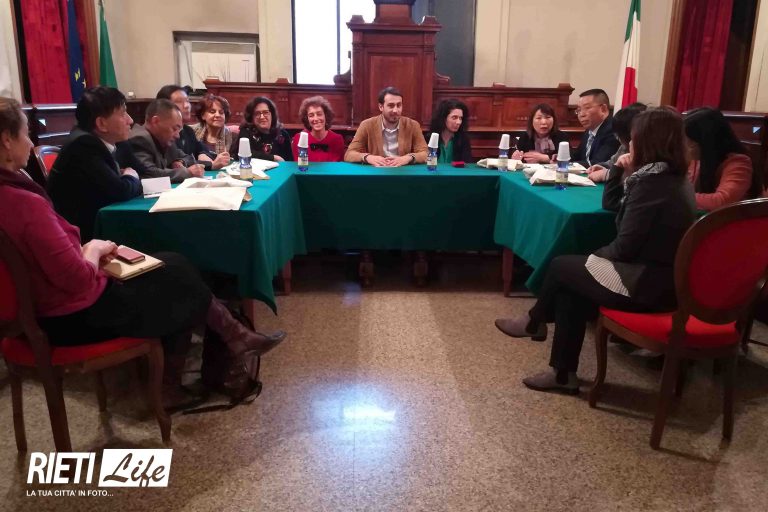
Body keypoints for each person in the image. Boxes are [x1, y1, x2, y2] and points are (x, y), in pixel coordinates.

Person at [0, 96, 286, 406]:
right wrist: (93, 249)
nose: (31, 142)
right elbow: (77, 280)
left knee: (176, 266)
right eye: (26, 133)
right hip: (70, 317)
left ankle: (227, 343)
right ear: (6, 141)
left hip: (50, 307)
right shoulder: (23, 203)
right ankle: (204, 362)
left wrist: (86, 251)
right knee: (183, 282)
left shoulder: (12, 193)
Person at [494, 107, 696, 394]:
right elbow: (611, 205)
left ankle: (535, 322)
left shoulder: (653, 185)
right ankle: (561, 373)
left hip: (648, 283)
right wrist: (618, 171)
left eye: (634, 138)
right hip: (655, 274)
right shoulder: (665, 177)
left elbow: (624, 249)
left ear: (648, 142)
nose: (630, 144)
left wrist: (592, 259)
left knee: (562, 266)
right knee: (570, 284)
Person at [47, 87, 142, 242]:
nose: (130, 120)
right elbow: (120, 191)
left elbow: (136, 174)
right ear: (101, 123)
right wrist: (131, 177)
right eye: (123, 113)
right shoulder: (83, 145)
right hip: (82, 239)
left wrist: (128, 178)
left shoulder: (106, 141)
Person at [684, 107, 762, 211]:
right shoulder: (698, 159)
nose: (685, 147)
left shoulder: (739, 163)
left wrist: (680, 196)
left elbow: (722, 201)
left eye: (690, 143)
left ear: (707, 142)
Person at [123, 99, 205, 182]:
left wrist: (180, 161)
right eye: (174, 129)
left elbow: (188, 157)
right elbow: (150, 174)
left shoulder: (164, 138)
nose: (177, 135)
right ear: (155, 121)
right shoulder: (139, 139)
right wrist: (188, 172)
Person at [344, 86, 428, 166]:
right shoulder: (367, 125)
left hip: (402, 171)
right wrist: (368, 157)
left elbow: (426, 153)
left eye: (399, 105)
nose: (395, 110)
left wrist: (408, 158)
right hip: (377, 171)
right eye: (391, 106)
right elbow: (349, 154)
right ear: (381, 107)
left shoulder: (412, 125)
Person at [155, 85, 229, 170]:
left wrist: (202, 154)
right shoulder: (164, 134)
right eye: (179, 102)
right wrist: (211, 165)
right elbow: (177, 161)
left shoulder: (188, 130)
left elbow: (201, 148)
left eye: (187, 100)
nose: (187, 105)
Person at [586, 102, 647, 183]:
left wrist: (606, 174)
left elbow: (639, 177)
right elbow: (613, 162)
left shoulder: (649, 150)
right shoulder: (624, 146)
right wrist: (602, 166)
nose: (617, 138)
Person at [230, 96, 293, 162]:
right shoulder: (246, 132)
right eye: (257, 113)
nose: (262, 117)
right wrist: (273, 158)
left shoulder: (283, 134)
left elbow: (290, 161)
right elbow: (243, 154)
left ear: (272, 114)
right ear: (251, 117)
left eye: (266, 112)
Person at [571, 89, 620, 168]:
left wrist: (568, 165)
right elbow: (577, 156)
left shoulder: (613, 131)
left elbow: (598, 164)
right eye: (579, 110)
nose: (581, 114)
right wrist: (562, 158)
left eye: (587, 108)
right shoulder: (589, 131)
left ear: (603, 109)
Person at [290, 96, 345, 162]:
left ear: (326, 116)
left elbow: (338, 166)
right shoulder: (299, 138)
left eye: (319, 114)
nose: (315, 119)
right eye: (311, 115)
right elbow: (300, 165)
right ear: (307, 119)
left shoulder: (337, 139)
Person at [427, 99, 472, 163]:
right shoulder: (429, 137)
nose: (458, 122)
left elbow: (467, 163)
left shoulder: (463, 139)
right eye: (454, 117)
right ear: (443, 118)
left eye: (460, 118)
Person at [192, 94, 234, 159]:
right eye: (212, 112)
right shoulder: (191, 131)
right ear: (203, 115)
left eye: (221, 112)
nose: (217, 115)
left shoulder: (232, 137)